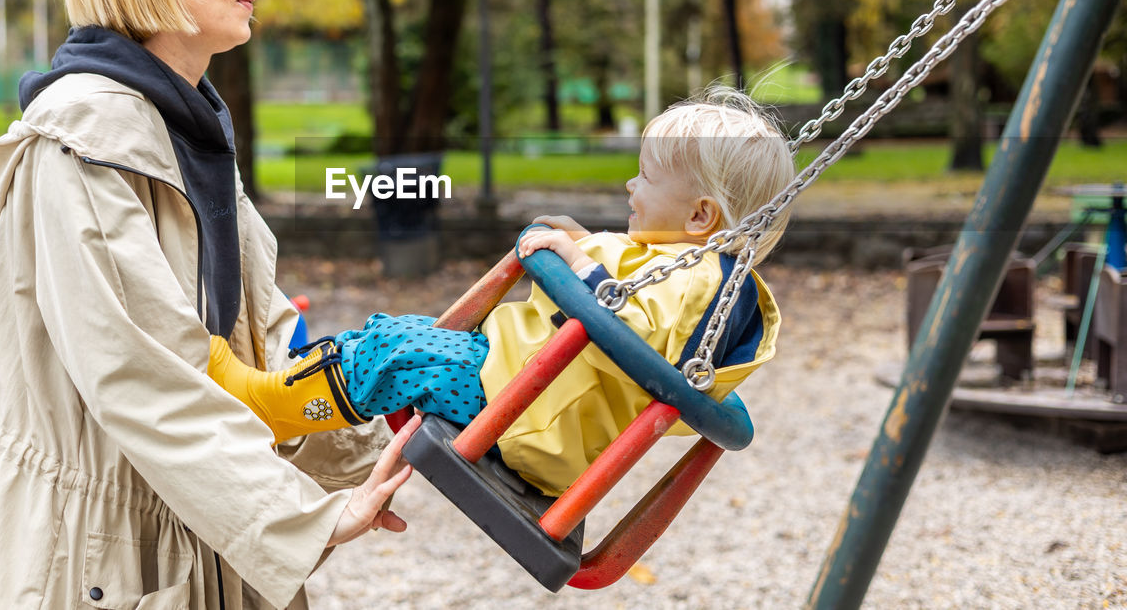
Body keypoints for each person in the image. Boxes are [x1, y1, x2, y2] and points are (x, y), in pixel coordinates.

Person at [0, 0, 420, 610]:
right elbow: (145, 377)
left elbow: (255, 354)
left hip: (186, 522)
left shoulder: (186, 129)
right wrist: (307, 517)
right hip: (91, 557)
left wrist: (389, 419)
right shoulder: (80, 140)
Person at [208, 90, 795, 497]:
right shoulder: (682, 263)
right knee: (392, 333)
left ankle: (270, 407)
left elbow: (638, 336)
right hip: (516, 388)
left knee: (392, 350)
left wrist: (575, 262)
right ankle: (292, 397)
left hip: (522, 416)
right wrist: (583, 243)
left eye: (646, 176)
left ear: (700, 216)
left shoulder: (705, 286)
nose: (630, 183)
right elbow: (631, 290)